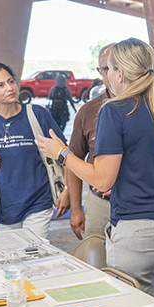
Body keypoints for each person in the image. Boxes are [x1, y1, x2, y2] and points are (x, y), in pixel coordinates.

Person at [37, 38, 154, 298]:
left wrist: (62, 154)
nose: (106, 75)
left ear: (119, 73)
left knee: (133, 306)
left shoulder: (114, 111)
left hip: (139, 228)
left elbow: (103, 179)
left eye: (107, 69)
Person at [0, 62, 69, 240]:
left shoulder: (37, 114)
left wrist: (67, 189)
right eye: (1, 85)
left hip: (38, 201)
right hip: (2, 208)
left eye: (11, 81)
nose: (10, 88)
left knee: (35, 253)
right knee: (11, 257)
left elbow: (65, 153)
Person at [66, 43, 114, 240]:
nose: (112, 75)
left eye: (117, 67)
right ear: (99, 72)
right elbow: (72, 160)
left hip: (140, 206)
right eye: (106, 69)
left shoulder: (151, 109)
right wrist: (76, 209)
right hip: (101, 204)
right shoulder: (88, 112)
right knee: (97, 261)